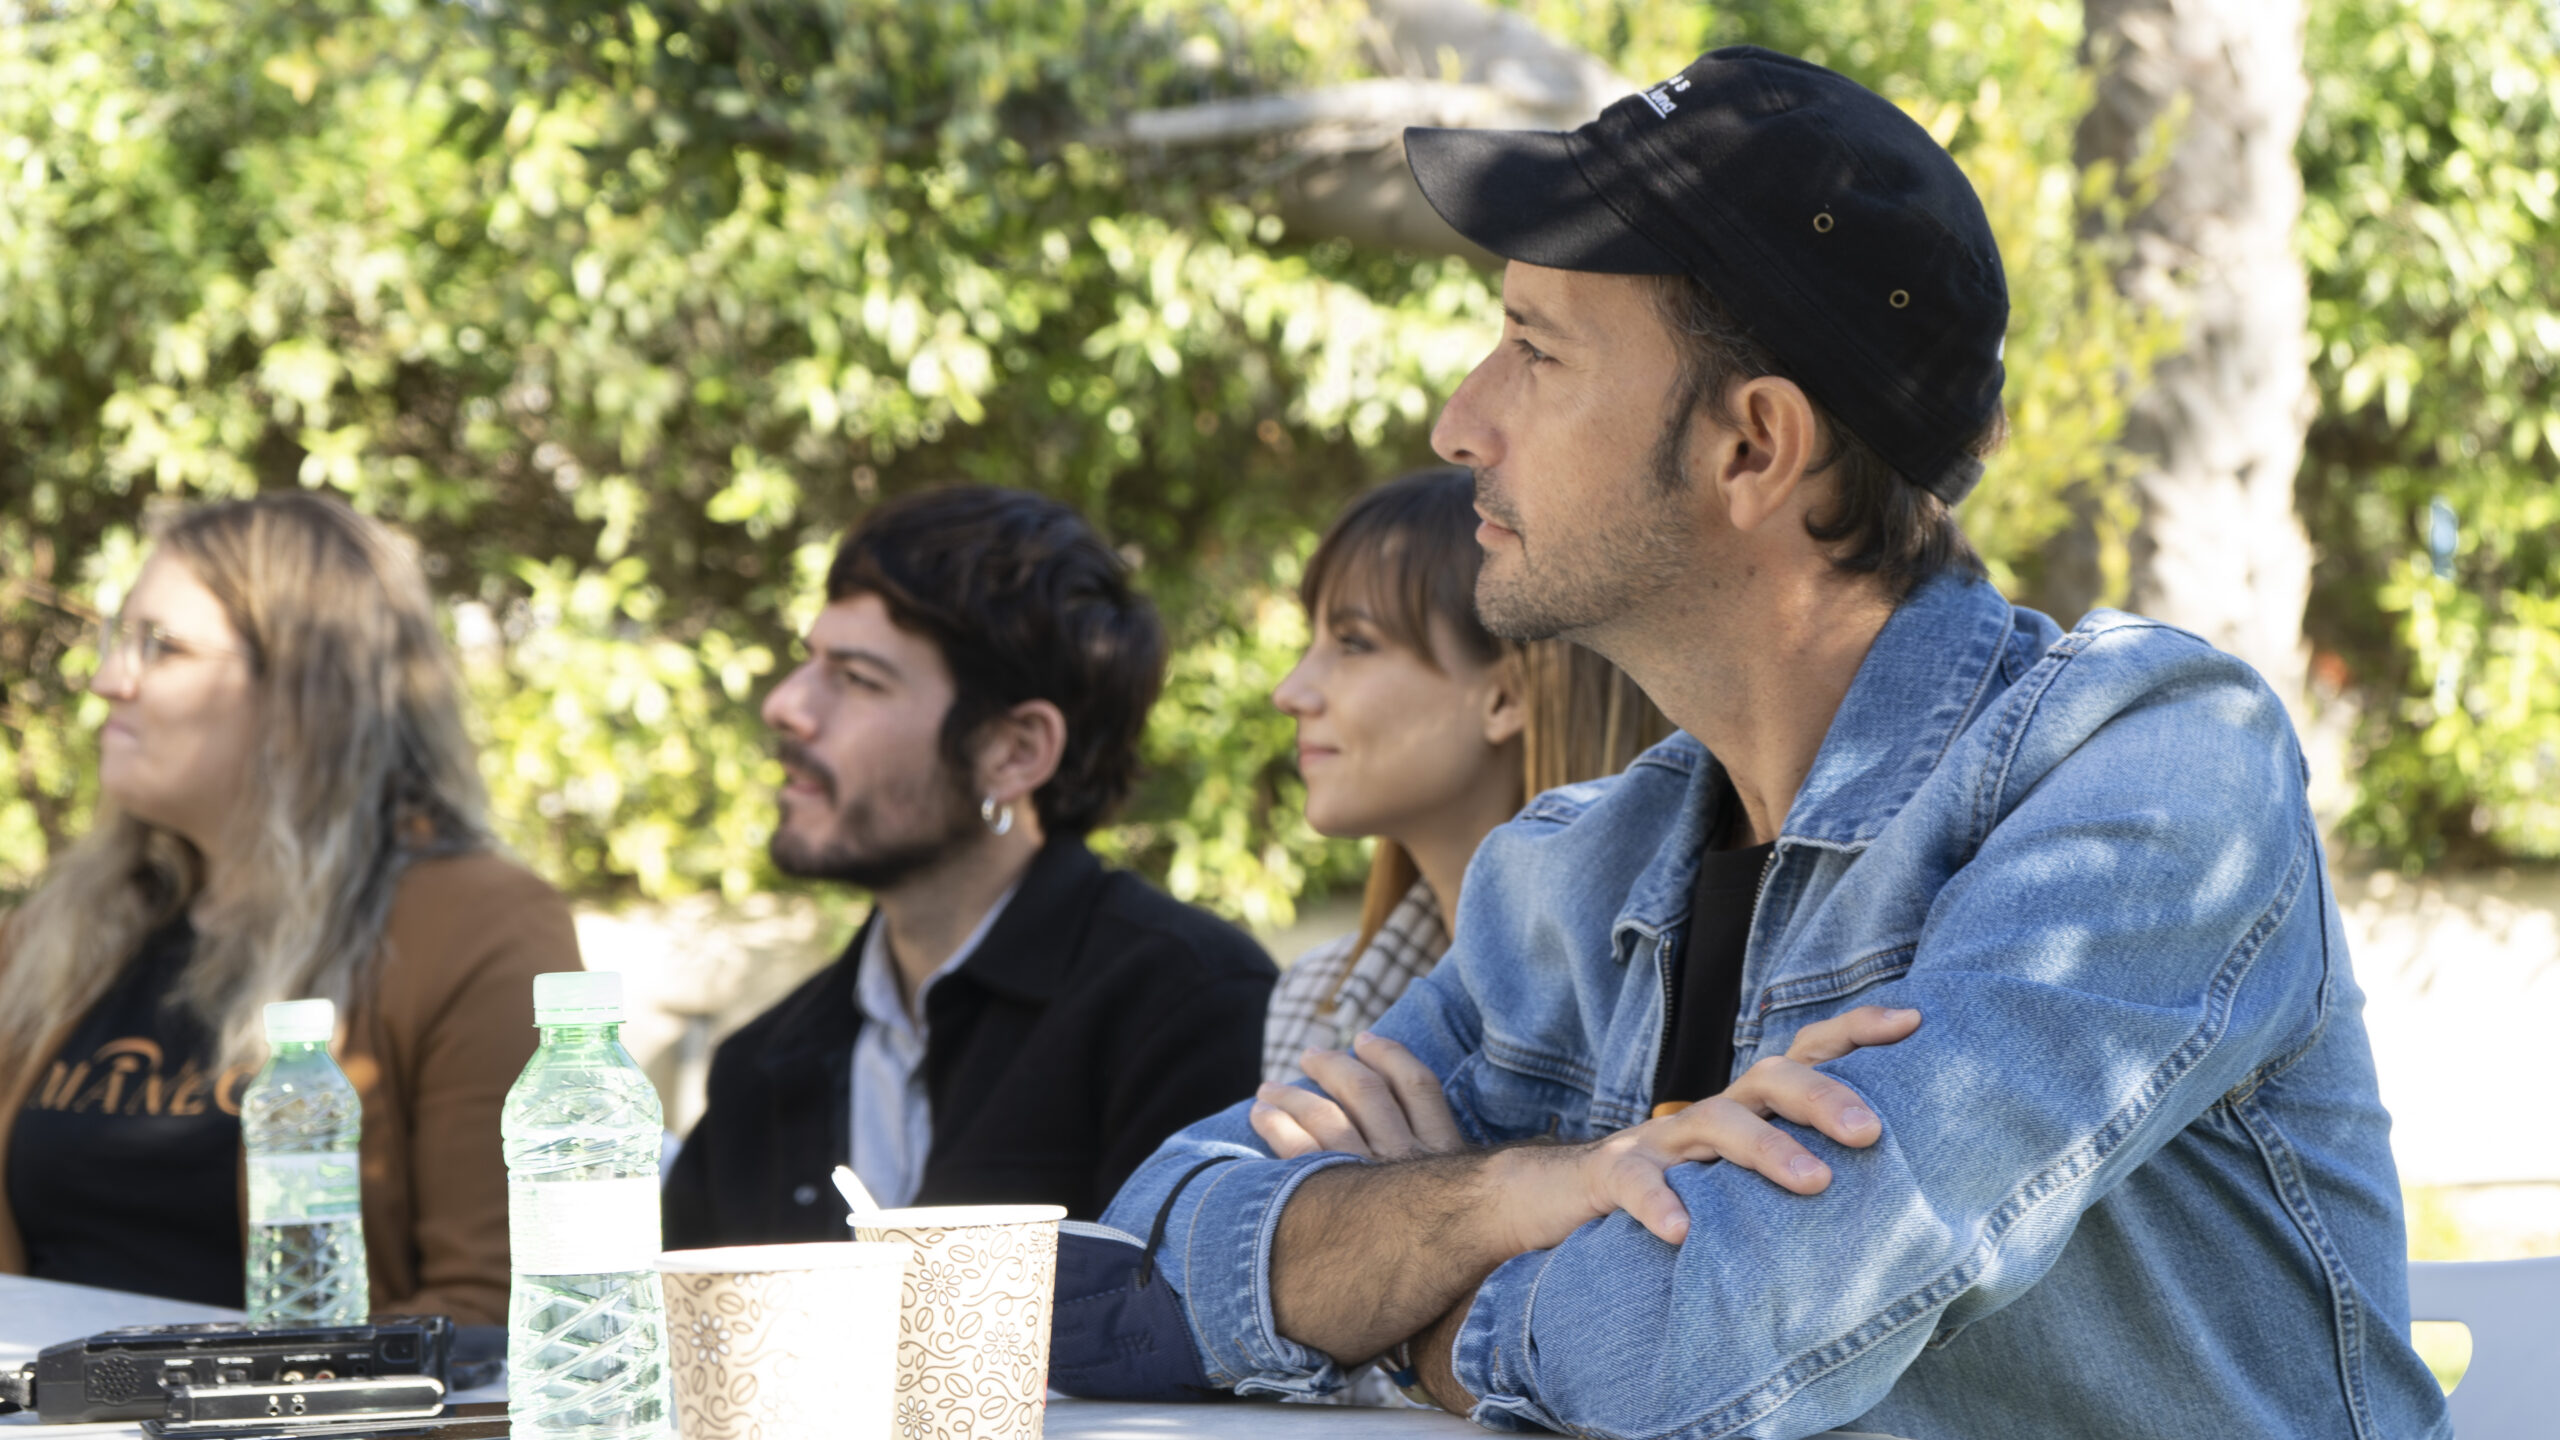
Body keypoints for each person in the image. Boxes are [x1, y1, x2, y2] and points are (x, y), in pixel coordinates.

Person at [1103, 45, 2450, 1440]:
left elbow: (1695, 1351)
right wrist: (1511, 1194)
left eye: (1535, 351)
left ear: (1754, 448)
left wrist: (1414, 1311)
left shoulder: (2150, 771)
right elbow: (1134, 1273)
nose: (1461, 423)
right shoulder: (1568, 875)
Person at [0, 493, 579, 1324]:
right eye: (115, 640)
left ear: (305, 691)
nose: (105, 680)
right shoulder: (52, 934)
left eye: (160, 648)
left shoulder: (477, 925)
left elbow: (501, 1309)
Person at [662, 485, 1277, 1243]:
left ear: (1014, 753)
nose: (787, 705)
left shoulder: (1186, 1006)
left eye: (857, 678)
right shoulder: (762, 1066)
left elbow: (1188, 1340)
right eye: (807, 661)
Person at [1262, 466, 1673, 1086]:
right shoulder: (1312, 999)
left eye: (1352, 642)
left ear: (1508, 697)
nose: (1289, 692)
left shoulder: (1674, 999)